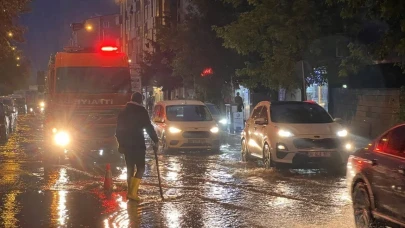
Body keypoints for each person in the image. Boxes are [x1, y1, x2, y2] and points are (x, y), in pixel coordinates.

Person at [116, 92, 159, 201]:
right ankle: (132, 193)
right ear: (140, 101)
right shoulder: (142, 111)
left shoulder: (122, 111)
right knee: (141, 168)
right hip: (138, 144)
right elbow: (148, 127)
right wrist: (155, 140)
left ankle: (130, 192)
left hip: (126, 145)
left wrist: (121, 143)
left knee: (130, 168)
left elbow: (118, 130)